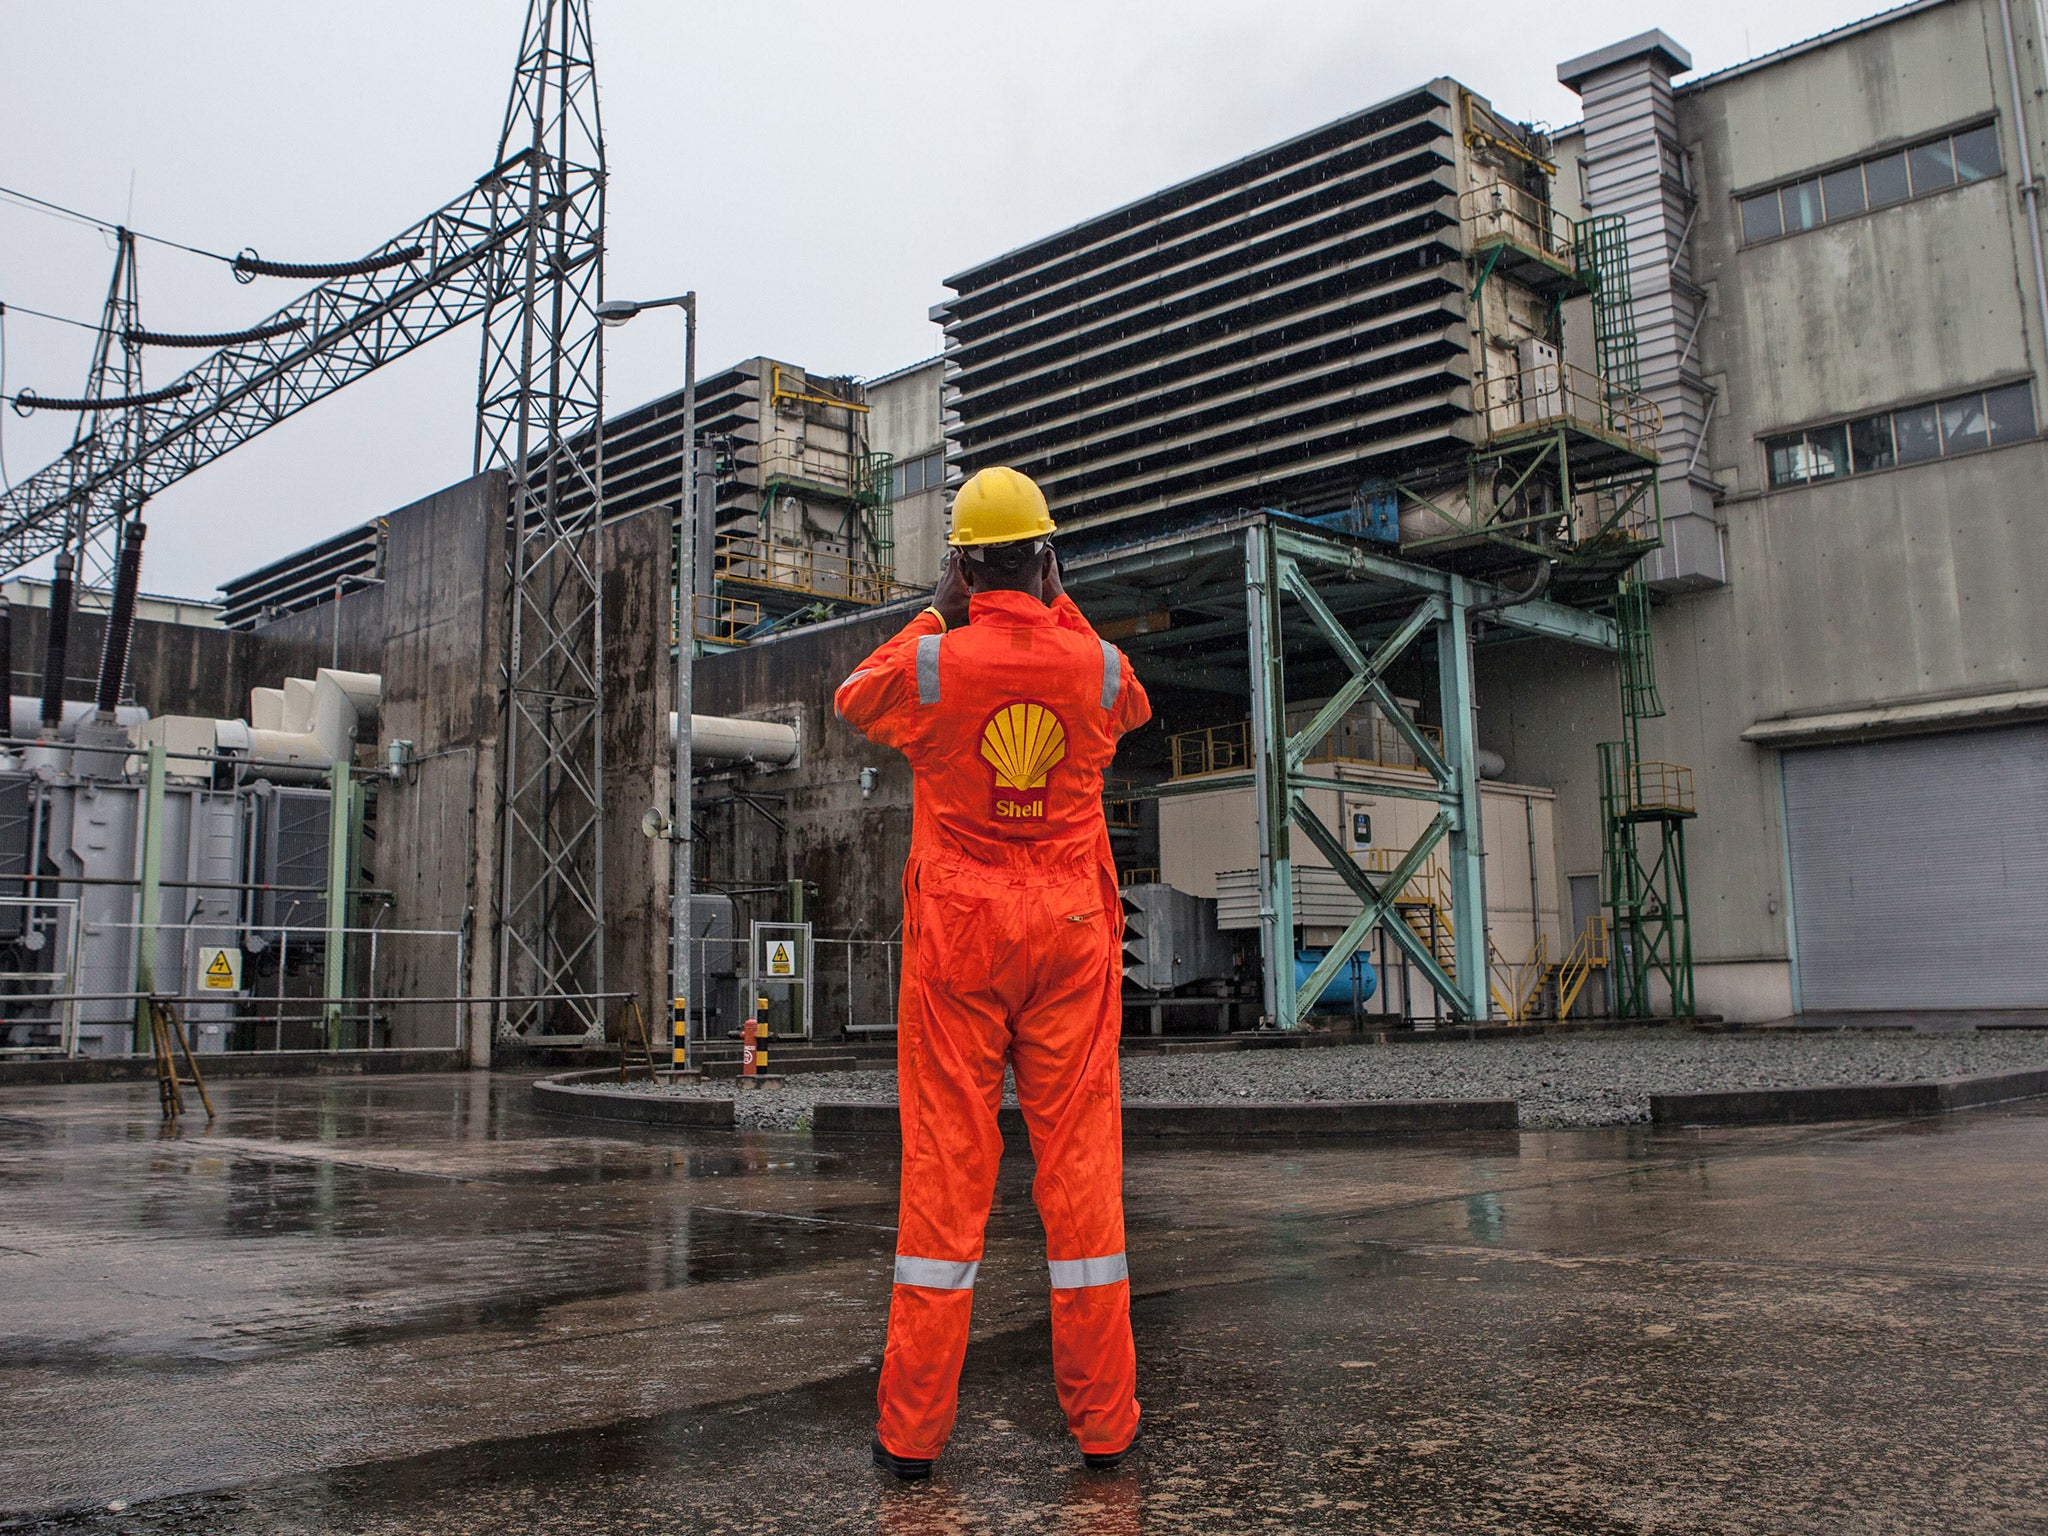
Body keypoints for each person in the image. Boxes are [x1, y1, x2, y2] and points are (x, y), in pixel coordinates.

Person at [834, 466, 1151, 1480]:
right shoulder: (1094, 669)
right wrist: (1057, 606)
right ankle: (1104, 1429)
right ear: (1049, 559)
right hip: (1067, 929)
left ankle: (912, 1438)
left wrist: (938, 610)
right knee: (1082, 1182)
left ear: (964, 566)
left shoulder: (933, 663)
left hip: (961, 938)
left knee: (944, 1178)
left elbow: (854, 694)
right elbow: (1129, 702)